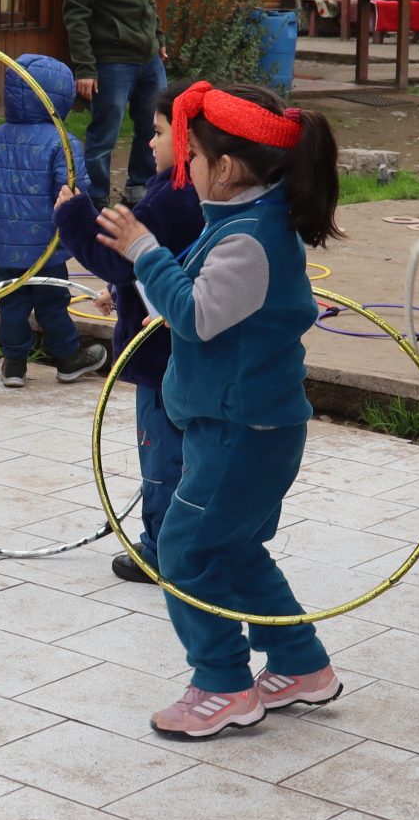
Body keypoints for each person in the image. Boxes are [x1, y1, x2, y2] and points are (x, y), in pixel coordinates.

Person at [93, 81, 344, 739]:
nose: (185, 168)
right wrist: (144, 288)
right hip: (243, 426)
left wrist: (145, 252)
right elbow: (204, 290)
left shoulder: (250, 238)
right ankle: (301, 663)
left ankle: (222, 682)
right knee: (232, 551)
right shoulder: (242, 221)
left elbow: (199, 314)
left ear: (225, 167)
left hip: (240, 431)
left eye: (193, 157)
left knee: (183, 552)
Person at [55, 86, 199, 582]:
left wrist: (73, 215)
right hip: (186, 351)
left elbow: (120, 258)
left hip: (160, 358)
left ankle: (161, 553)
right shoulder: (199, 195)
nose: (150, 143)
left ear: (188, 142)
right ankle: (184, 544)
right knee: (188, 458)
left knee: (162, 461)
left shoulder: (173, 195)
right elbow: (163, 266)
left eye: (158, 133)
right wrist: (122, 294)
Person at [0, 52, 110, 388]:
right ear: (59, 98)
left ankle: (14, 364)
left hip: (4, 243)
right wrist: (77, 228)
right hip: (47, 244)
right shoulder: (63, 144)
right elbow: (73, 190)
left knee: (12, 301)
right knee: (52, 301)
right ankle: (68, 357)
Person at [64, 0, 167, 204]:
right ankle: (94, 201)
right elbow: (76, 15)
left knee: (154, 126)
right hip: (111, 62)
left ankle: (139, 191)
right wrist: (84, 67)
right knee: (104, 135)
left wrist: (159, 37)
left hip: (148, 57)